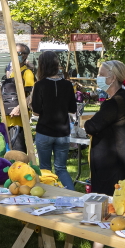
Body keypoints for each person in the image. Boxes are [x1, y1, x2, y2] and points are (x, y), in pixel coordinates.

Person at [70, 59, 125, 248]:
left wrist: (87, 122)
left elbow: (92, 125)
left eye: (101, 73)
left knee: (103, 210)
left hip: (111, 165)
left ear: (112, 78)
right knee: (119, 208)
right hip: (120, 162)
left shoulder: (114, 103)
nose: (98, 77)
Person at [30, 50, 77, 190]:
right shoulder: (68, 85)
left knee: (45, 169)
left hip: (44, 131)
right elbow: (72, 109)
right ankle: (72, 195)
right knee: (61, 169)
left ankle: (49, 196)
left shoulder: (40, 85)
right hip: (62, 133)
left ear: (42, 66)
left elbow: (36, 112)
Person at [4, 43, 35, 153]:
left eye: (18, 53)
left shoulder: (27, 73)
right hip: (9, 118)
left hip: (19, 119)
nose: (14, 56)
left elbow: (31, 95)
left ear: (25, 55)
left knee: (18, 151)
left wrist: (18, 108)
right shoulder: (13, 73)